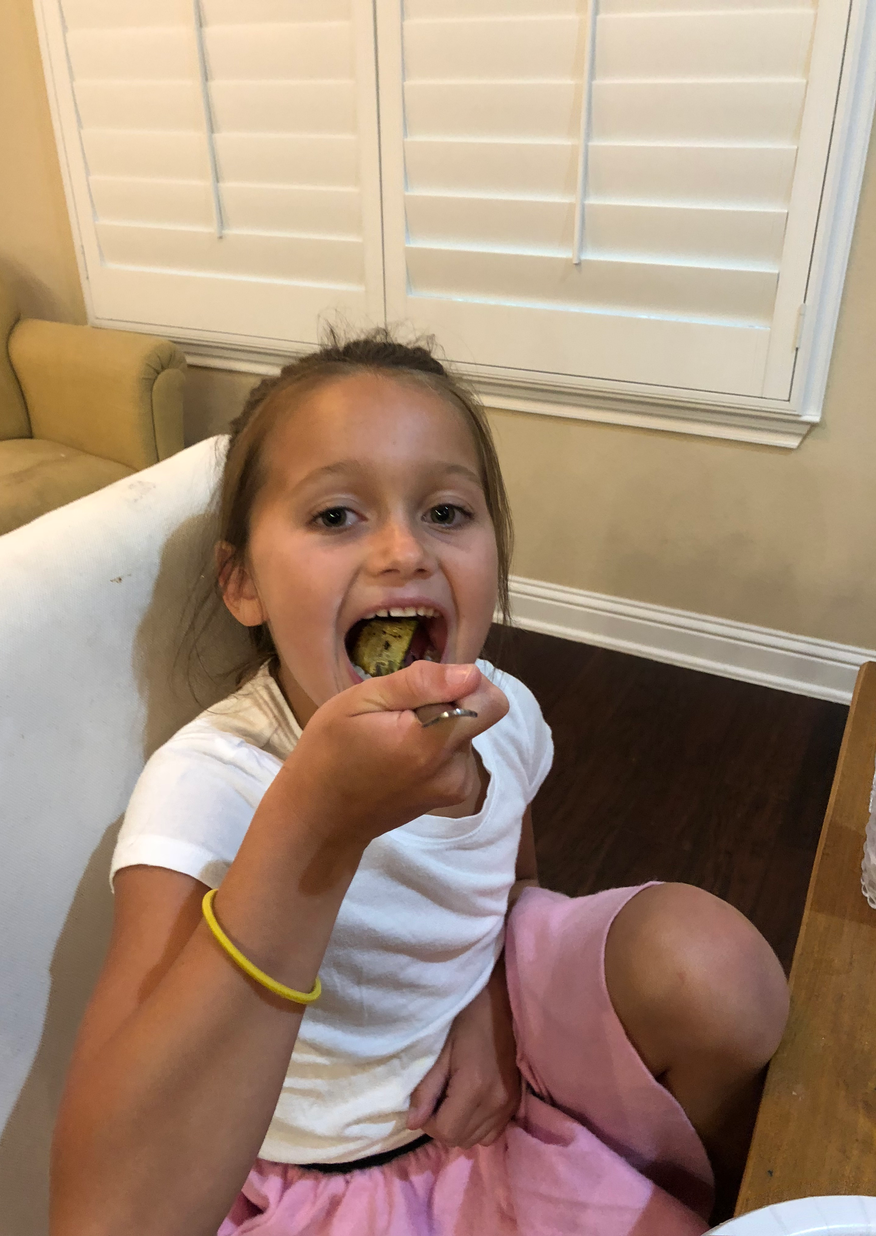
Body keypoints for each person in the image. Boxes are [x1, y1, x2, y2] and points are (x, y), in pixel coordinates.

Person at [50, 332, 789, 1236]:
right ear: (242, 582)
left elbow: (504, 876)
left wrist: (488, 1009)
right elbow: (102, 1216)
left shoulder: (503, 709)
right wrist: (320, 824)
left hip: (489, 1083)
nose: (404, 550)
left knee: (716, 967)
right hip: (329, 1173)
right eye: (335, 517)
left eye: (445, 511)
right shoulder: (210, 784)